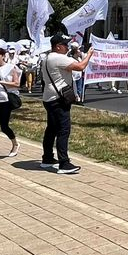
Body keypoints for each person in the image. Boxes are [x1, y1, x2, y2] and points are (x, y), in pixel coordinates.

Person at [41, 34, 94, 174]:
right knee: (63, 130)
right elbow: (81, 66)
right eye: (65, 45)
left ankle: (47, 158)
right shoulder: (58, 58)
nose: (67, 47)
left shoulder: (46, 58)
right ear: (58, 46)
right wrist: (88, 55)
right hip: (59, 98)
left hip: (48, 97)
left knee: (51, 129)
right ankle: (64, 163)